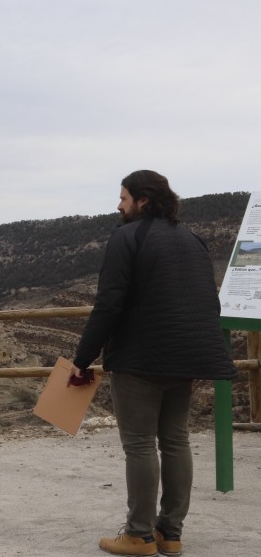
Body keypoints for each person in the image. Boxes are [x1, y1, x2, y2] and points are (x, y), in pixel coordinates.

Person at [71, 170, 237, 557]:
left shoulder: (127, 237)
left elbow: (109, 303)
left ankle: (139, 535)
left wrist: (83, 358)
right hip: (188, 356)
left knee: (140, 444)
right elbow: (205, 301)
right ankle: (171, 533)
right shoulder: (192, 239)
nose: (118, 205)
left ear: (142, 201)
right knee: (176, 441)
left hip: (140, 358)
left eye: (124, 198)